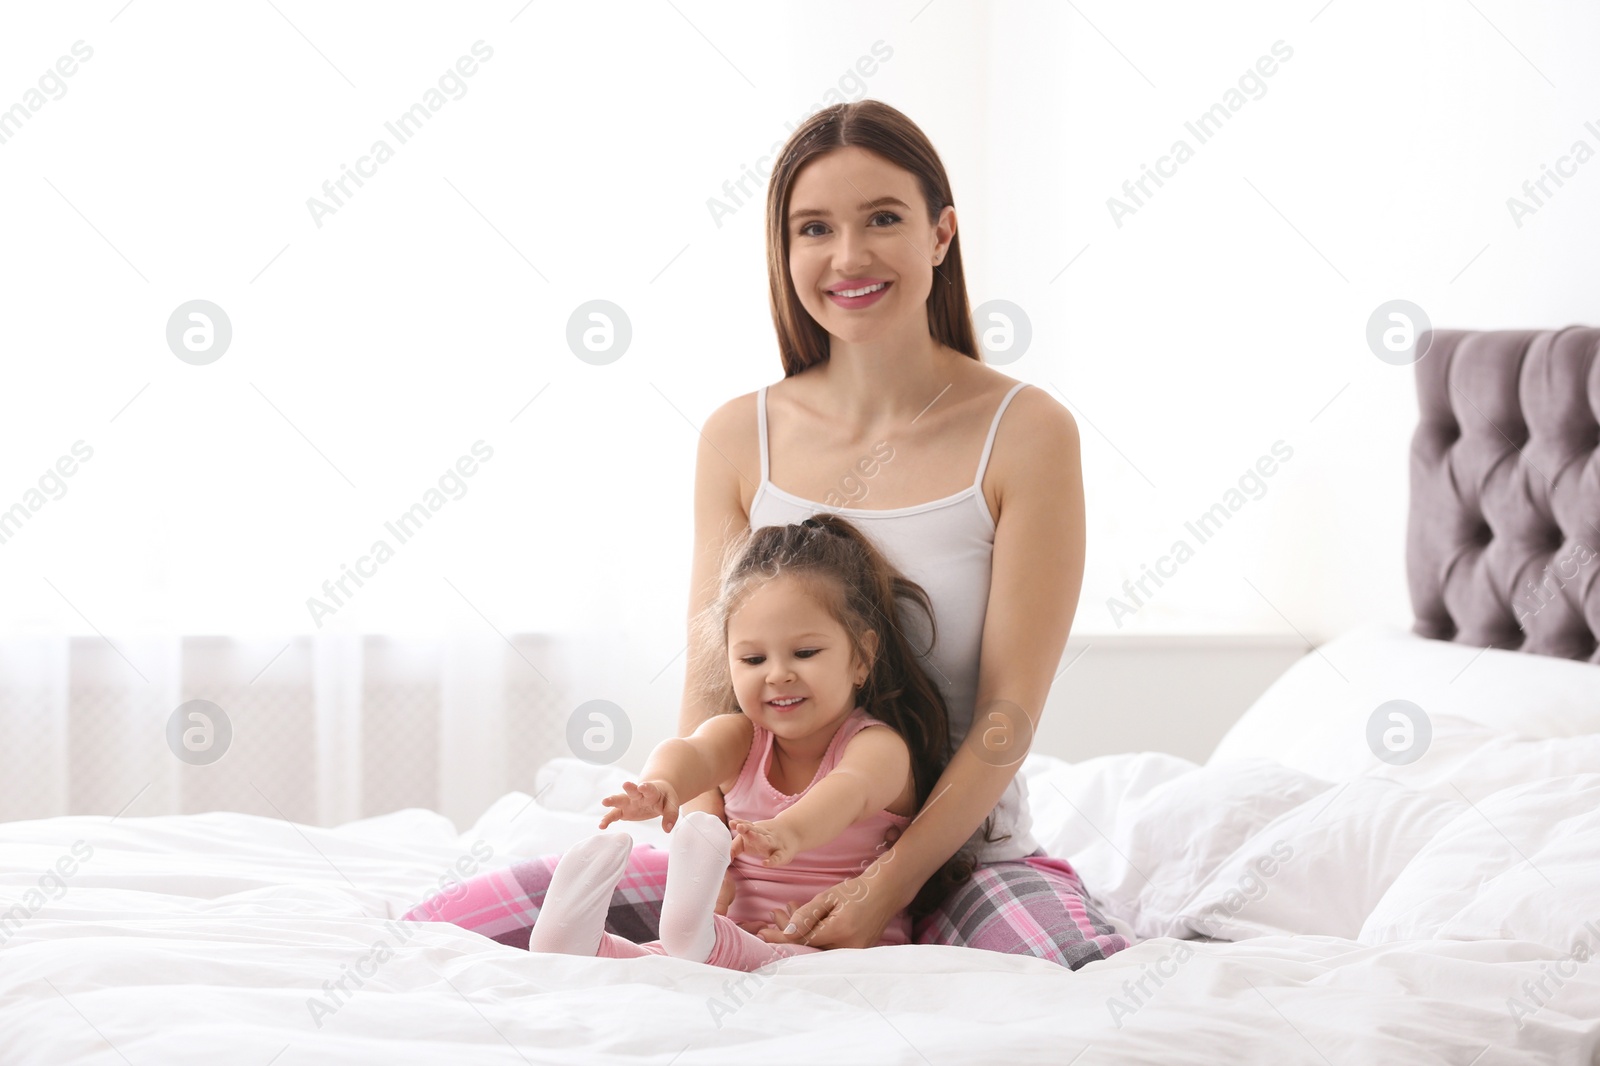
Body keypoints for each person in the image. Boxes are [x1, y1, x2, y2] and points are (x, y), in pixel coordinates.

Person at [403, 98, 1129, 969]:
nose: (849, 256)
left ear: (941, 235)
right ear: (785, 254)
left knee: (1084, 975)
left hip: (958, 854)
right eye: (814, 228)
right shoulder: (737, 437)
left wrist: (885, 887)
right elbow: (713, 693)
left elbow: (1007, 716)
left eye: (883, 219)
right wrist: (703, 858)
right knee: (447, 926)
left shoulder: (1027, 432)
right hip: (764, 861)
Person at [522, 514, 976, 970]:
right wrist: (661, 786)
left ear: (862, 656)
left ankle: (691, 931)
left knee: (744, 956)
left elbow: (848, 791)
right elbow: (692, 751)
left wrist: (786, 831)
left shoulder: (876, 747)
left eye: (805, 652)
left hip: (839, 952)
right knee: (662, 964)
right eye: (754, 658)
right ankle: (578, 946)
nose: (778, 674)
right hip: (719, 938)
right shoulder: (742, 737)